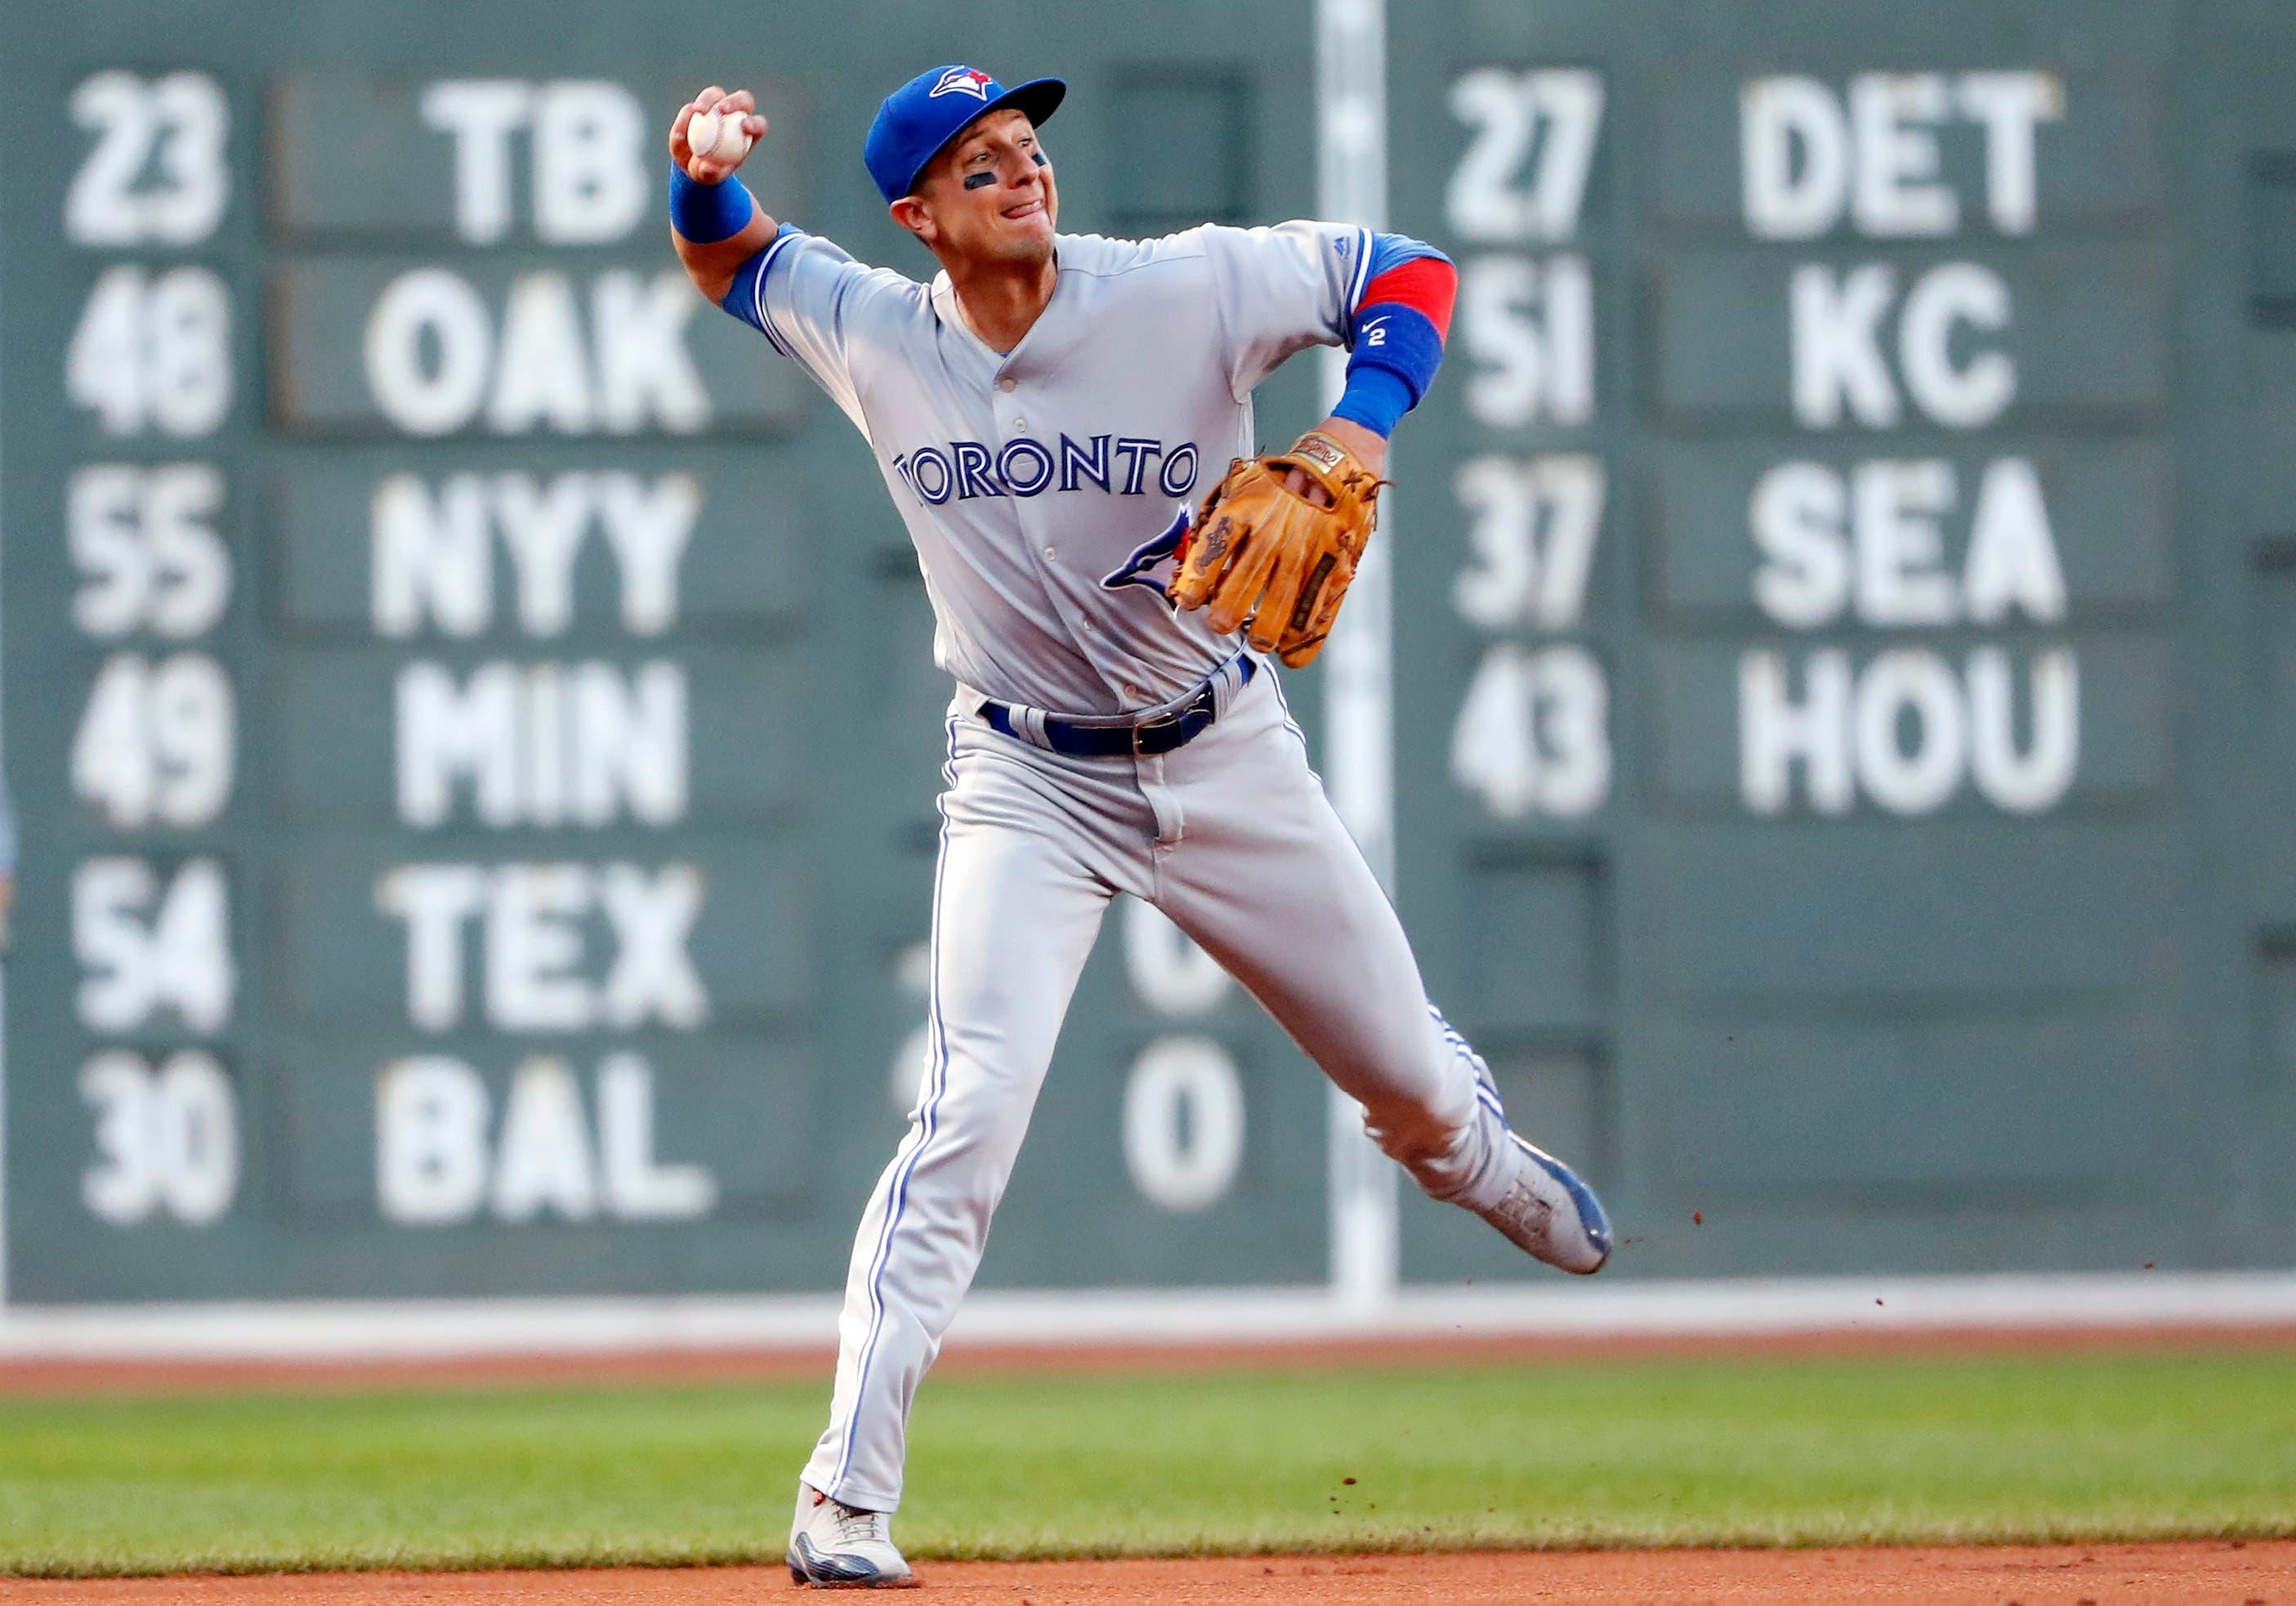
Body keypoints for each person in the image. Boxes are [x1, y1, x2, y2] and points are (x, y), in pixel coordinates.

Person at [667, 65, 1613, 1589]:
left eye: (1026, 148)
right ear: (917, 217)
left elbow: (1408, 272)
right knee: (962, 1123)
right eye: (978, 165)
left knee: (1410, 1094)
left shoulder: (1181, 288)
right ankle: (843, 1498)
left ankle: (1469, 1147)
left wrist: (1360, 428)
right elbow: (729, 254)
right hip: (1026, 780)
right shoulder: (875, 329)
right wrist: (701, 172)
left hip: (1222, 754)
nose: (1019, 174)